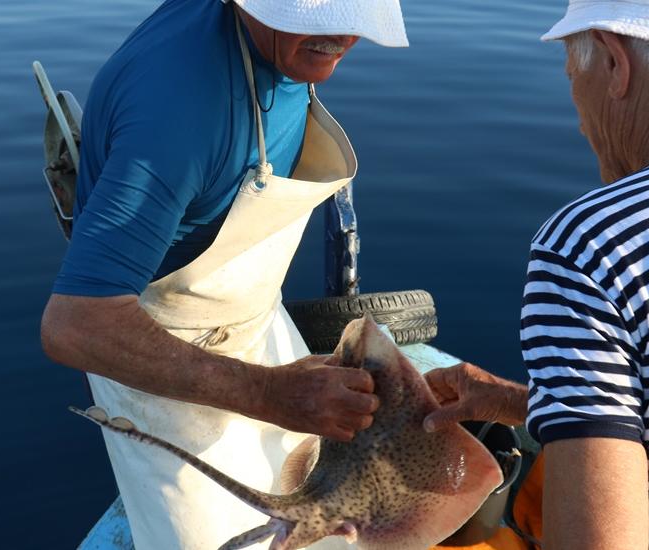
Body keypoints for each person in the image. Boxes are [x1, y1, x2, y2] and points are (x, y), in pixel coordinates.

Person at [39, 0, 408, 548]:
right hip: (160, 354)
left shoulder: (262, 41)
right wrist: (270, 393)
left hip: (252, 316)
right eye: (311, 13)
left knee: (321, 512)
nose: (338, 33)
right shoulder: (179, 114)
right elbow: (77, 325)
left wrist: (281, 387)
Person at [424, 1, 649, 548]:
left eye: (571, 75)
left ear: (613, 61)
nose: (577, 115)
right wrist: (526, 401)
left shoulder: (595, 245)